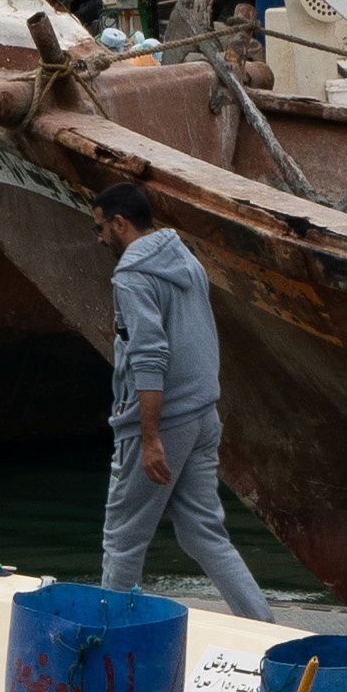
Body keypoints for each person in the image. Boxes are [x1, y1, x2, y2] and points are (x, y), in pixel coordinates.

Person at [94, 158, 266, 613]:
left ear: (120, 223)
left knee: (123, 538)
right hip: (203, 415)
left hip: (161, 423)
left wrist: (150, 439)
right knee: (202, 532)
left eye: (101, 228)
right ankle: (264, 622)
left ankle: (111, 637)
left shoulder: (132, 275)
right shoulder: (183, 257)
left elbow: (150, 357)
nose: (99, 239)